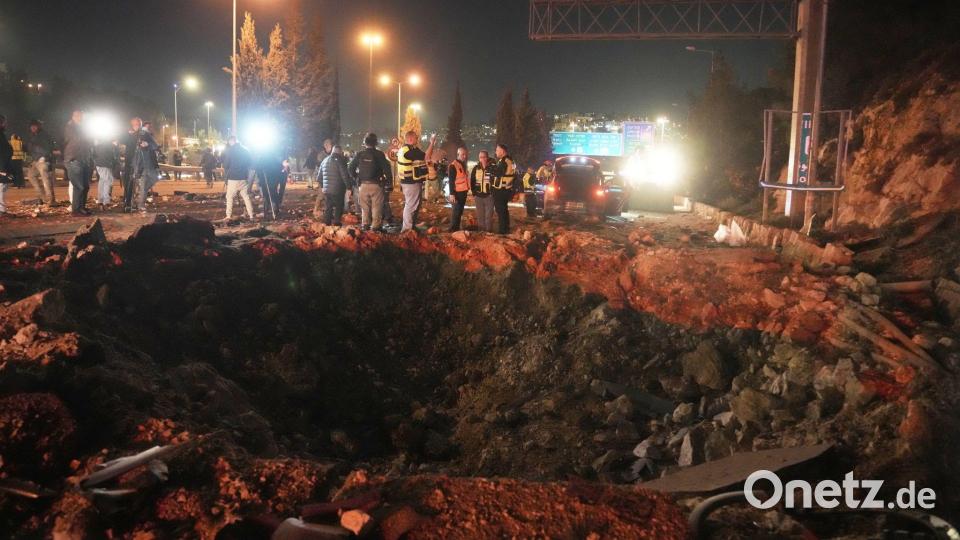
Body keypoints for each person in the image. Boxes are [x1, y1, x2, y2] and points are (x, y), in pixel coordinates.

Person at [348, 132, 392, 231]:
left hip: (362, 185)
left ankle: (365, 225)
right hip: (377, 185)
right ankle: (376, 227)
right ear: (376, 143)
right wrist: (389, 182)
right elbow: (387, 169)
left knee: (365, 208)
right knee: (377, 207)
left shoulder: (360, 154)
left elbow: (350, 168)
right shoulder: (379, 154)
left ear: (365, 143)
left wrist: (356, 178)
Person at [396, 130, 436, 232]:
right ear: (410, 139)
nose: (417, 139)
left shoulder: (406, 149)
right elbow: (427, 156)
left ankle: (410, 226)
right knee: (411, 205)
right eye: (416, 138)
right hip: (411, 183)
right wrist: (432, 143)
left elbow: (424, 157)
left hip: (410, 182)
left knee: (414, 204)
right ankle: (407, 229)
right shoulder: (410, 151)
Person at [63, 110, 93, 216]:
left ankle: (82, 207)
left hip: (83, 159)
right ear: (74, 116)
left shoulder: (82, 127)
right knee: (79, 186)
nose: (81, 118)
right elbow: (78, 139)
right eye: (79, 116)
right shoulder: (70, 127)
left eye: (82, 116)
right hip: (74, 159)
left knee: (85, 186)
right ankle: (76, 210)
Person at [221, 136, 255, 220]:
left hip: (233, 177)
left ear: (231, 141)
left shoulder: (230, 151)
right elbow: (250, 163)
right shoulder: (246, 150)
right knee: (246, 197)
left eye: (229, 143)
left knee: (229, 197)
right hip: (243, 177)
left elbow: (226, 165)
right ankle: (251, 215)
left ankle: (228, 215)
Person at [319, 145, 353, 226]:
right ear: (340, 152)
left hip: (327, 190)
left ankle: (327, 223)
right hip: (338, 189)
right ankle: (337, 223)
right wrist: (349, 187)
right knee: (339, 205)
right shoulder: (340, 161)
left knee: (328, 206)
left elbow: (319, 177)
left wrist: (323, 186)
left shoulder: (324, 160)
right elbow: (344, 175)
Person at [26, 120, 56, 206]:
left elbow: (49, 147)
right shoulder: (32, 136)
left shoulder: (44, 135)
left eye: (35, 126)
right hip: (35, 160)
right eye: (31, 126)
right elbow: (30, 148)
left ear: (39, 126)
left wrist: (44, 157)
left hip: (43, 160)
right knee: (31, 176)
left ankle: (51, 200)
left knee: (46, 180)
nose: (33, 128)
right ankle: (43, 197)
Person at [133, 122, 161, 213]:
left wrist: (148, 144)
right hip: (143, 165)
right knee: (144, 184)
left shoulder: (147, 135)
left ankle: (142, 194)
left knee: (154, 179)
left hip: (150, 165)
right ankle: (141, 204)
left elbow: (155, 146)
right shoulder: (139, 134)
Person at [491, 143, 518, 234]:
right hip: (506, 189)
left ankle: (502, 231)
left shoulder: (503, 161)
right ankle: (506, 229)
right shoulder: (511, 160)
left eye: (497, 150)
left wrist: (491, 168)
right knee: (504, 210)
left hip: (500, 190)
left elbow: (497, 173)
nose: (496, 152)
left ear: (502, 151)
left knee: (501, 211)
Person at [447, 146, 471, 232]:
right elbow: (451, 181)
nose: (464, 156)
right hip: (456, 193)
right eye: (462, 154)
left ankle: (456, 229)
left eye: (465, 154)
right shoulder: (453, 166)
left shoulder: (462, 164)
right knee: (456, 212)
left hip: (463, 192)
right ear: (458, 154)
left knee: (460, 211)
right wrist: (452, 194)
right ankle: (452, 230)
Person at [470, 150, 494, 232]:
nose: (482, 159)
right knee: (480, 216)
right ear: (479, 158)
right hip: (478, 196)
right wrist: (474, 194)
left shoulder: (492, 168)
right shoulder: (476, 168)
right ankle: (481, 232)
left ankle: (488, 232)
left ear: (487, 157)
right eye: (480, 157)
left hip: (489, 196)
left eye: (484, 157)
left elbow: (495, 181)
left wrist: (493, 193)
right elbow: (472, 181)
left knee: (488, 216)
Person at [93, 138, 119, 210]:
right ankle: (106, 202)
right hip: (105, 165)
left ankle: (101, 201)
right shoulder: (110, 145)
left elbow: (95, 154)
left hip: (99, 164)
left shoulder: (100, 144)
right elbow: (113, 157)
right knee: (108, 182)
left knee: (102, 181)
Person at [0, 115, 14, 216]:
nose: (6, 124)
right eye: (4, 122)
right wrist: (2, 169)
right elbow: (3, 152)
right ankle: (1, 210)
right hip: (2, 166)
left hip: (3, 165)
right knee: (1, 187)